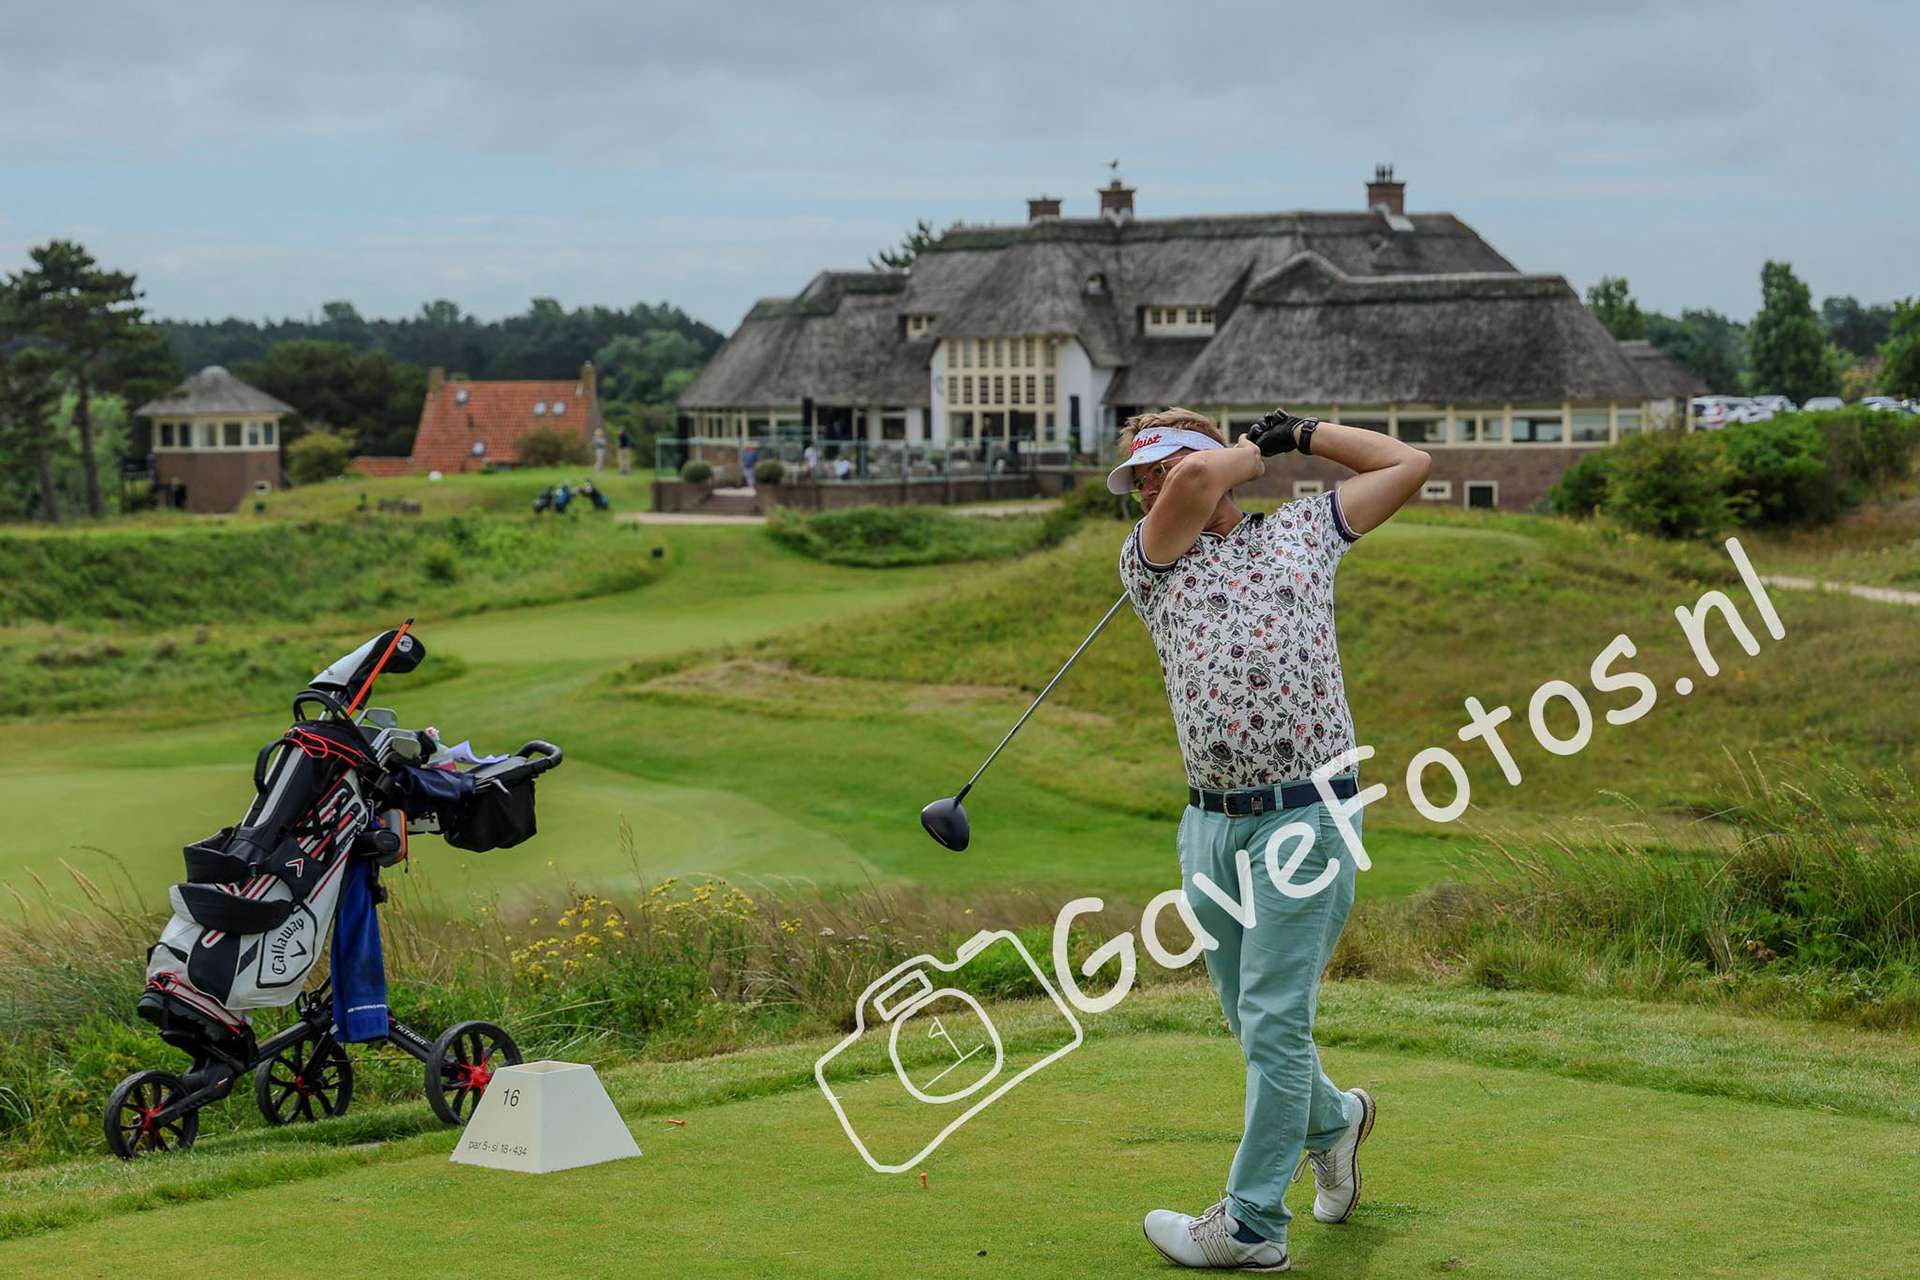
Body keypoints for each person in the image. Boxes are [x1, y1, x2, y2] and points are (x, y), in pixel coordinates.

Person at [1118, 407, 1430, 1272]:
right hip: (1210, 827)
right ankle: (1336, 1121)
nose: (1148, 489)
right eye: (1138, 479)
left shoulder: (1302, 532)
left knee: (1274, 1019)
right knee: (1251, 1022)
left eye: (1158, 469)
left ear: (1208, 457)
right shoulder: (1151, 561)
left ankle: (1252, 1223)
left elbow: (1408, 463)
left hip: (1309, 817)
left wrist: (1302, 434)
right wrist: (1239, 458)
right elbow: (1193, 483)